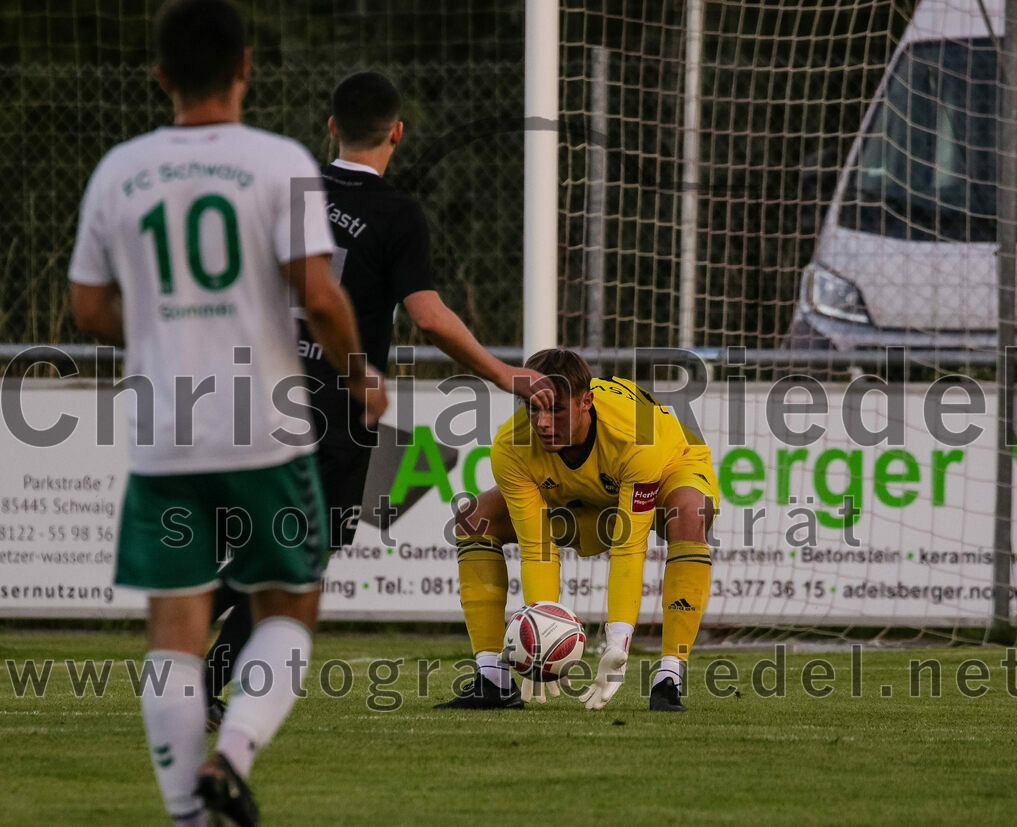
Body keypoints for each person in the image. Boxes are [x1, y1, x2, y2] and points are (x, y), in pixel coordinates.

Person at [68, 1, 386, 824]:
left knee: (174, 629)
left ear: (160, 75)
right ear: (246, 66)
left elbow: (88, 305)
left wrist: (162, 331)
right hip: (263, 430)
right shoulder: (278, 162)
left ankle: (188, 814)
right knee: (290, 604)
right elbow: (321, 297)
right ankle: (231, 754)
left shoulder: (119, 170)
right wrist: (359, 375)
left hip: (165, 432)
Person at [202, 70, 551, 726]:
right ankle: (199, 664)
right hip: (333, 406)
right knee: (299, 554)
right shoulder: (396, 215)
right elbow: (428, 316)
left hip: (256, 391)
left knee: (286, 548)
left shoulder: (287, 188)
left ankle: (195, 657)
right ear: (397, 132)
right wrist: (503, 373)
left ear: (331, 125)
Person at [435, 348, 719, 712]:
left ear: (587, 402)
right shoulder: (510, 446)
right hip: (583, 499)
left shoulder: (638, 434)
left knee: (690, 513)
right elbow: (537, 549)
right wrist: (540, 639)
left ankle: (669, 677)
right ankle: (493, 680)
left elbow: (628, 547)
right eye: (532, 408)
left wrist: (617, 642)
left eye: (555, 410)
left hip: (670, 468)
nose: (542, 423)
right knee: (473, 520)